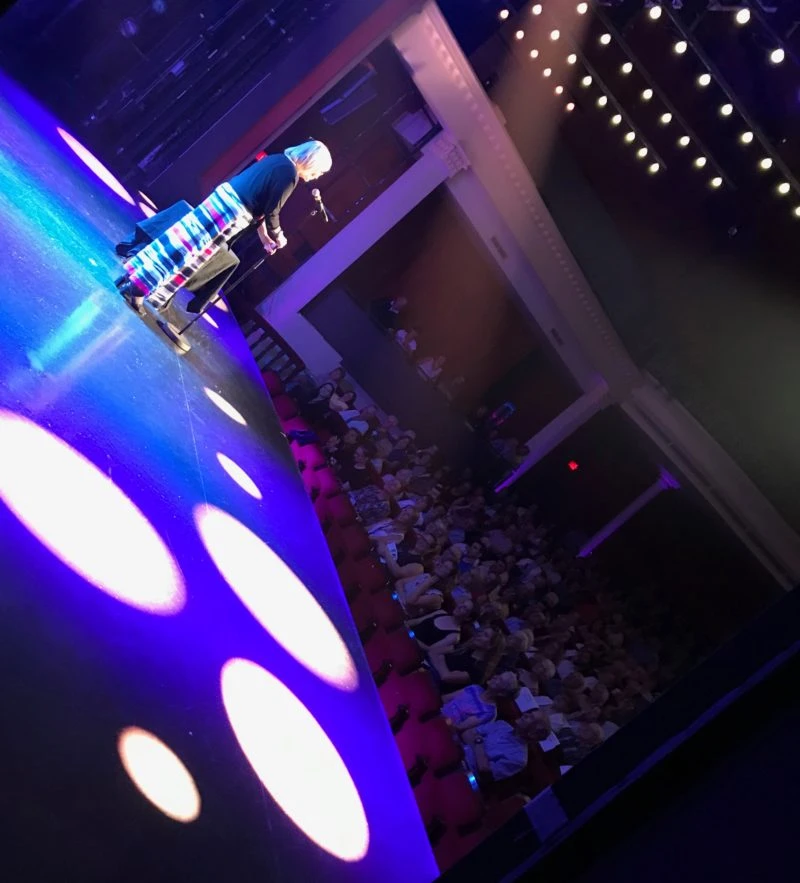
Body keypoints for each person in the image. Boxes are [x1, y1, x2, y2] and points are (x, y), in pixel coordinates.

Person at [116, 139, 332, 312]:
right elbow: (271, 211)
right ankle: (138, 288)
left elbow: (260, 205)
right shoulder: (290, 175)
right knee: (187, 251)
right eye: (320, 171)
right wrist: (278, 236)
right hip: (231, 212)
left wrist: (266, 238)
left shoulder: (277, 160)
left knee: (181, 238)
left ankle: (134, 275)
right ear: (312, 162)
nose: (318, 176)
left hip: (223, 199)